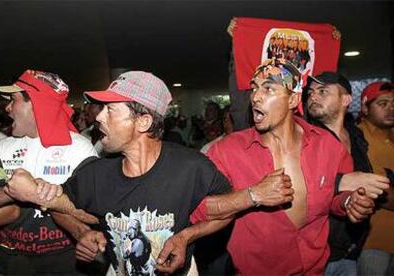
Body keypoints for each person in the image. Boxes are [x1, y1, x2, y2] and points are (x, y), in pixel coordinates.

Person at [2, 71, 236, 275]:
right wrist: (38, 193)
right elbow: (63, 204)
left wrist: (186, 237)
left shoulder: (191, 166)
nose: (99, 116)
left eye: (110, 110)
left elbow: (228, 211)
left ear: (143, 121)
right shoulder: (96, 172)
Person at [155, 59, 375, 275]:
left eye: (268, 88)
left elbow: (334, 196)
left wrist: (349, 202)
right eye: (254, 88)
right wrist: (252, 195)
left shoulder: (327, 146)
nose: (256, 97)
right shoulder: (228, 150)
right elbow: (199, 209)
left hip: (316, 269)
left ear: (293, 99)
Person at [0, 70, 98, 275]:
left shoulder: (80, 148)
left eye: (13, 100)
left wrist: (37, 193)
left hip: (62, 266)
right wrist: (10, 190)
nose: (7, 108)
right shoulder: (2, 148)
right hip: (7, 265)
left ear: (35, 103)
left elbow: (94, 212)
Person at [305, 72, 390, 275]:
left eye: (322, 91)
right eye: (310, 93)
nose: (313, 97)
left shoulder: (356, 135)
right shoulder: (304, 137)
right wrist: (343, 181)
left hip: (351, 250)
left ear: (346, 100)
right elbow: (301, 183)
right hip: (317, 255)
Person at [357, 81, 394, 275]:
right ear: (365, 106)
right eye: (383, 103)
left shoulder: (390, 137)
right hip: (375, 241)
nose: (391, 109)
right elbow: (380, 192)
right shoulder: (359, 137)